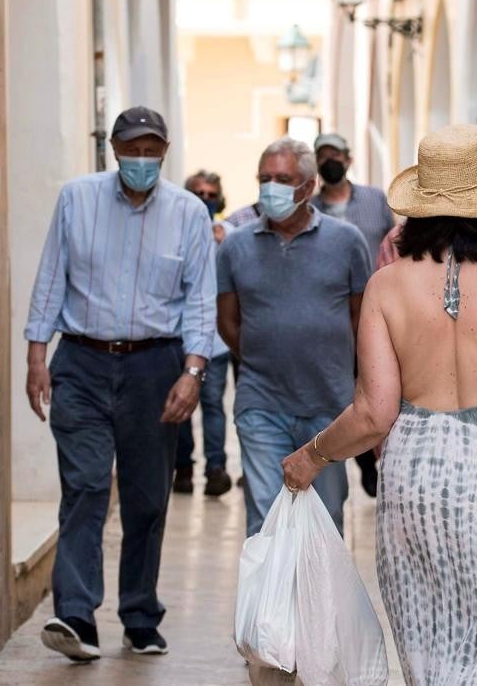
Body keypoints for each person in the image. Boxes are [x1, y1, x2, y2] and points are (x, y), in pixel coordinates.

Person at [282, 124, 477, 685]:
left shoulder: (387, 287)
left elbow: (375, 412)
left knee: (426, 645)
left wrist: (312, 456)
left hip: (412, 472)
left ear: (418, 207)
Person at [24, 106, 216, 661]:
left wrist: (194, 371)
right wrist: (37, 355)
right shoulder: (76, 199)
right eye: (131, 149)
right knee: (84, 485)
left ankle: (139, 613)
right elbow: (50, 276)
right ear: (113, 150)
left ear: (165, 151)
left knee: (145, 498)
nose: (141, 159)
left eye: (151, 150)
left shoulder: (188, 214)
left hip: (154, 367)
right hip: (80, 363)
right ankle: (77, 616)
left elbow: (200, 299)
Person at [216, 137, 371, 537]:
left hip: (330, 408)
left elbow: (362, 319)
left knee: (325, 524)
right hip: (261, 403)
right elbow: (228, 322)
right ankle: (272, 603)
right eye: (264, 178)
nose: (272, 187)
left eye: (282, 178)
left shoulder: (347, 241)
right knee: (267, 524)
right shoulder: (235, 246)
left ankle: (316, 602)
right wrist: (263, 355)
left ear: (308, 185)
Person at [310, 133, 394, 497]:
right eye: (322, 155)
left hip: (378, 308)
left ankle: (372, 456)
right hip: (330, 314)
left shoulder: (376, 200)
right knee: (344, 388)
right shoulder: (310, 208)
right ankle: (362, 460)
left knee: (374, 381)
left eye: (335, 154)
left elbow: (395, 246)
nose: (330, 160)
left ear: (348, 158)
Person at [172, 170, 235, 497]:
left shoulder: (231, 236)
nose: (205, 200)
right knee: (181, 406)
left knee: (212, 405)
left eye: (211, 194)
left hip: (217, 342)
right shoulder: (173, 232)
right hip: (180, 338)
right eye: (198, 193)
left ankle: (216, 468)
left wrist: (224, 245)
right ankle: (183, 467)